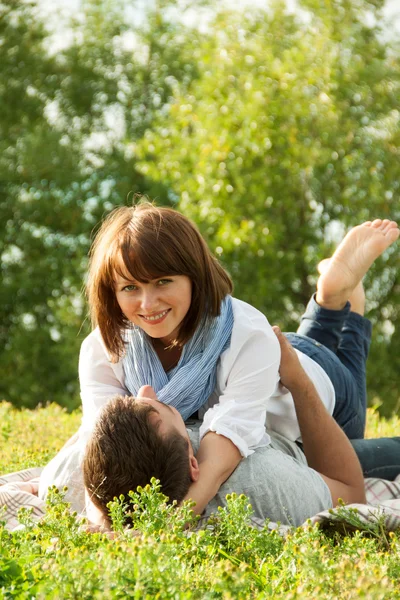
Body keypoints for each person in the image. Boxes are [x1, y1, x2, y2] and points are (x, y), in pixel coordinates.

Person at [66, 204, 400, 517]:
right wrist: (100, 519)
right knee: (308, 340)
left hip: (313, 384)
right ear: (112, 290)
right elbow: (100, 442)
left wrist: (175, 520)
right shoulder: (102, 349)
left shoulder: (244, 332)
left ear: (194, 276)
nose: (147, 303)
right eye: (130, 287)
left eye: (162, 281)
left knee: (351, 385)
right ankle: (330, 303)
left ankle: (338, 300)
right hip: (278, 353)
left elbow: (228, 438)